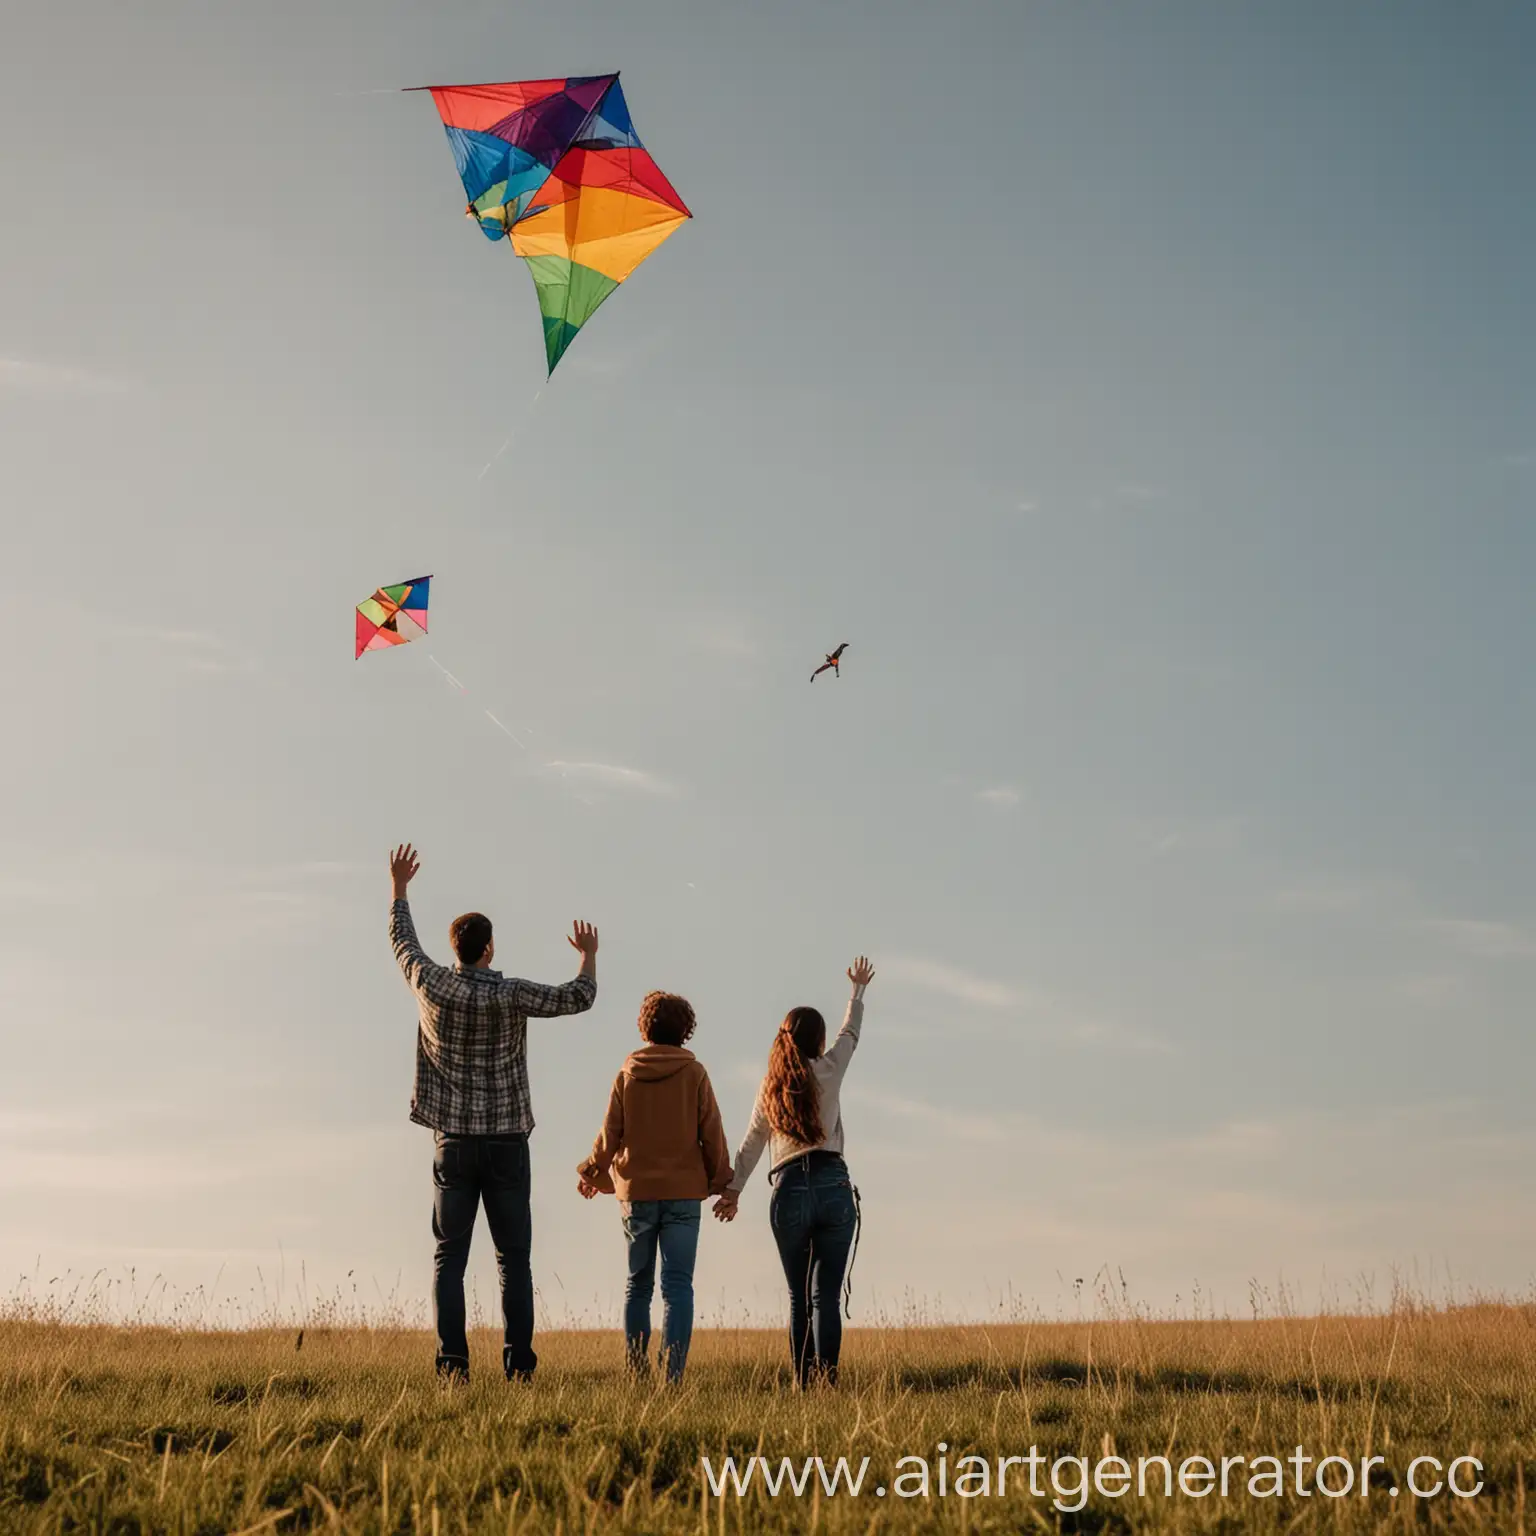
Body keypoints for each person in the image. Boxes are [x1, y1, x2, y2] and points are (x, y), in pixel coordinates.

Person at [387, 843, 599, 1384]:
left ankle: (453, 1364)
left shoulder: (431, 984)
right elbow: (578, 997)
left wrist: (400, 889)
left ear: (456, 949)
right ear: (489, 949)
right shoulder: (511, 994)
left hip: (452, 1143)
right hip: (507, 1142)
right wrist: (588, 954)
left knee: (448, 1258)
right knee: (514, 1261)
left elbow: (403, 944)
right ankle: (518, 1365)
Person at [713, 956, 875, 1387]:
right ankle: (829, 1384)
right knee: (826, 1297)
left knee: (799, 1298)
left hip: (788, 1190)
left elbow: (751, 1143)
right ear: (818, 1040)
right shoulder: (830, 1069)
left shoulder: (772, 1086)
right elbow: (851, 1034)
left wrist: (733, 1191)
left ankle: (804, 1386)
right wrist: (856, 992)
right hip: (833, 1184)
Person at [576, 991, 732, 1382]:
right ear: (685, 1030)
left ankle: (635, 1370)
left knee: (637, 1286)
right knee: (678, 1286)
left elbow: (609, 1133)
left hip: (636, 1194)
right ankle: (672, 1374)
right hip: (683, 1193)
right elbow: (712, 1133)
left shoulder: (627, 1073)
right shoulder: (695, 1074)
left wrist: (593, 1172)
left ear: (645, 1027)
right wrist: (721, 1182)